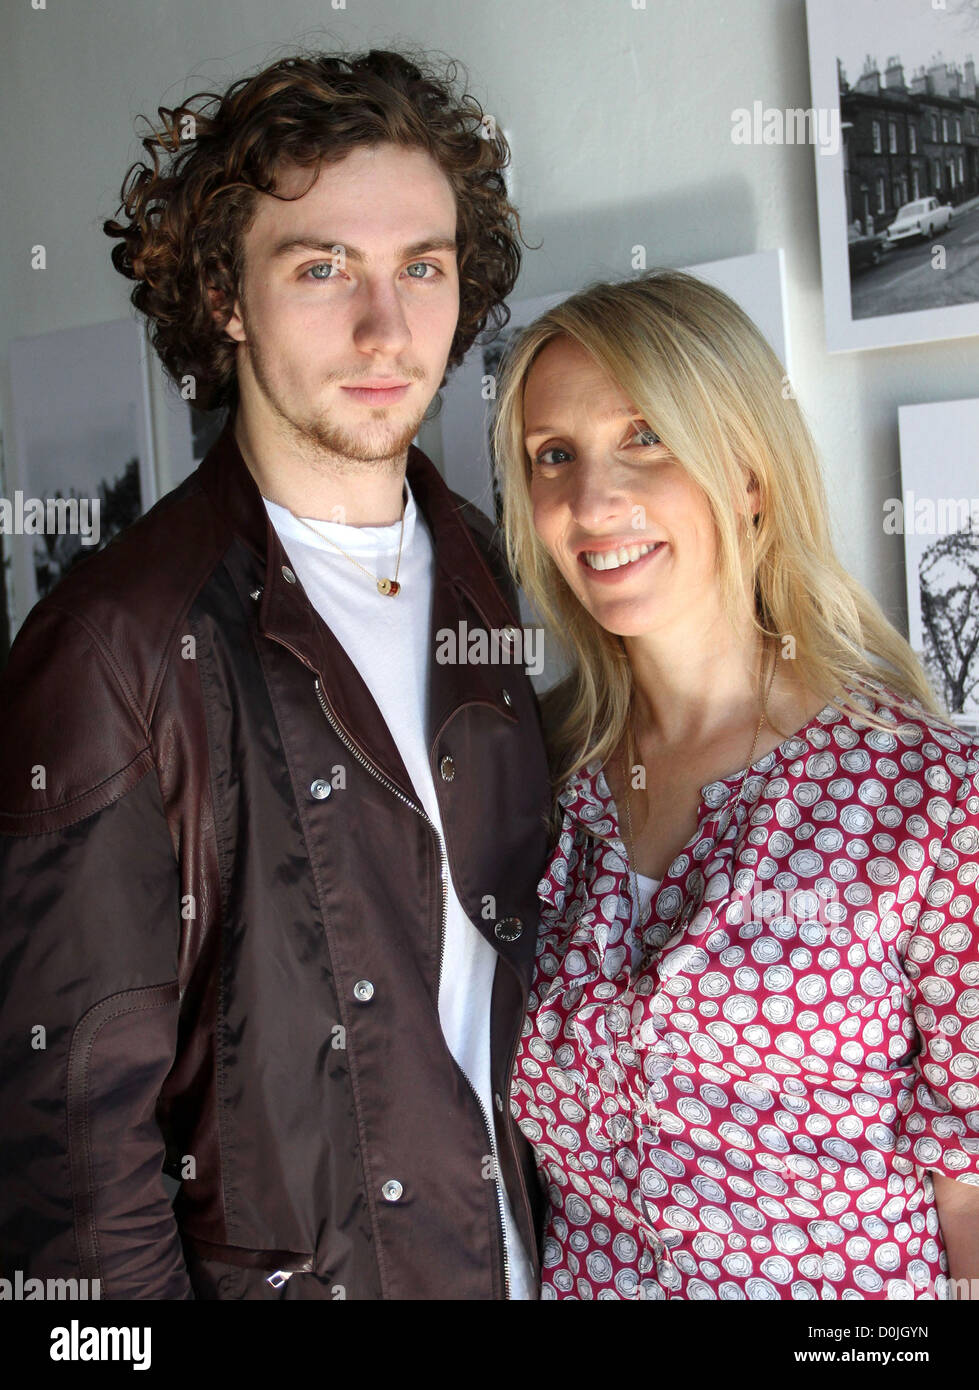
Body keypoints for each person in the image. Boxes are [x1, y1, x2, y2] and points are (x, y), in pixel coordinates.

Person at [0, 48, 552, 1300]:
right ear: (224, 296)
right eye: (322, 269)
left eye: (422, 266)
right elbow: (70, 1157)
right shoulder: (113, 644)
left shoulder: (483, 561)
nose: (385, 326)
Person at [492, 269, 979, 1299]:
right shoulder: (534, 786)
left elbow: (973, 1188)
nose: (590, 500)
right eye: (553, 456)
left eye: (644, 437)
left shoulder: (930, 795)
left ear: (749, 474)